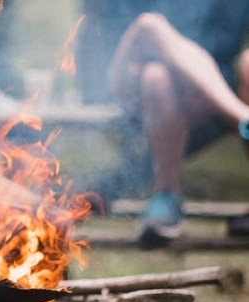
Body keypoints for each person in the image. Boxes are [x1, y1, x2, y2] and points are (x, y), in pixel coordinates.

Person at [106, 4, 249, 248]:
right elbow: (137, 32)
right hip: (130, 76)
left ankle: (167, 205)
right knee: (153, 49)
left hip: (205, 86)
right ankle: (243, 118)